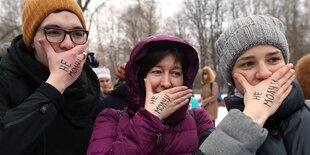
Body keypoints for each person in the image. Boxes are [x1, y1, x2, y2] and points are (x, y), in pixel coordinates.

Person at [0, 0, 102, 154]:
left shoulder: (90, 89)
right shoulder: (5, 80)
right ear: (32, 40)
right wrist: (54, 86)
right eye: (54, 32)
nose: (68, 44)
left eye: (77, 33)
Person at [199, 15, 310, 155]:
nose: (264, 73)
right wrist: (251, 118)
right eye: (248, 64)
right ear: (232, 79)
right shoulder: (214, 139)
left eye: (273, 59)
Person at [87, 34, 215, 154]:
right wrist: (148, 119)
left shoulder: (198, 119)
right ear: (140, 78)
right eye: (157, 72)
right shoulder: (110, 119)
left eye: (176, 73)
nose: (166, 83)